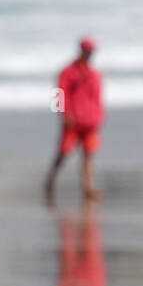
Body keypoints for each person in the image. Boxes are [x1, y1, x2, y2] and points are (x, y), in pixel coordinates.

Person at [44, 38, 104, 204]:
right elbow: (59, 93)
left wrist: (99, 116)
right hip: (73, 120)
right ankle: (50, 180)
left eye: (92, 51)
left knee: (88, 154)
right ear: (81, 50)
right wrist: (63, 114)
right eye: (88, 50)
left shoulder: (94, 74)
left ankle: (88, 187)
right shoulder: (68, 71)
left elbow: (98, 97)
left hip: (90, 120)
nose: (90, 54)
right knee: (63, 153)